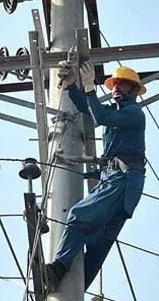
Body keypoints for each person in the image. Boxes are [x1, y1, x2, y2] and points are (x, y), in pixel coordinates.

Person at [45, 61, 147, 293]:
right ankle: (74, 290)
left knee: (78, 216)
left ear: (132, 90)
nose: (115, 88)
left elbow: (98, 116)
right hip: (118, 183)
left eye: (121, 84)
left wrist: (90, 87)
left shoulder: (134, 114)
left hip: (121, 179)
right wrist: (72, 86)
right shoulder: (116, 111)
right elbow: (87, 108)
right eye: (114, 84)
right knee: (97, 246)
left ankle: (58, 268)